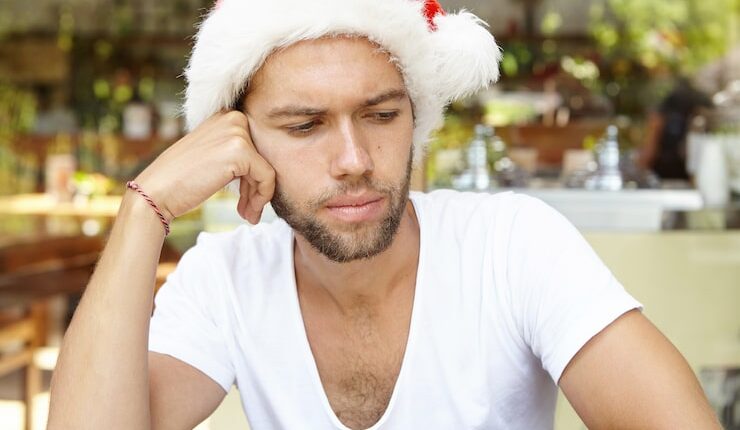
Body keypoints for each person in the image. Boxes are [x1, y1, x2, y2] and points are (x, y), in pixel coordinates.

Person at [48, 1, 720, 429]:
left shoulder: (512, 246)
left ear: (415, 119)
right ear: (240, 144)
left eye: (380, 115)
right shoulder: (226, 277)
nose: (353, 160)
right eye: (305, 125)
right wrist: (145, 208)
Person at [640, 77, 714, 180]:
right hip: (686, 176)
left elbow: (648, 155)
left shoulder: (662, 113)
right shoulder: (700, 114)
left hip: (667, 176)